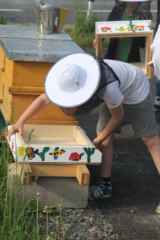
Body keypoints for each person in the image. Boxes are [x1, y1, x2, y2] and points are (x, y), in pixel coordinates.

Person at [8, 52, 160, 201]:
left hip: (135, 89)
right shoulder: (73, 80)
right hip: (115, 91)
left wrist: (98, 140)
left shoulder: (107, 88)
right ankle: (104, 186)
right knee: (104, 136)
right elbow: (43, 99)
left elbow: (118, 116)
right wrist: (21, 121)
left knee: (150, 140)